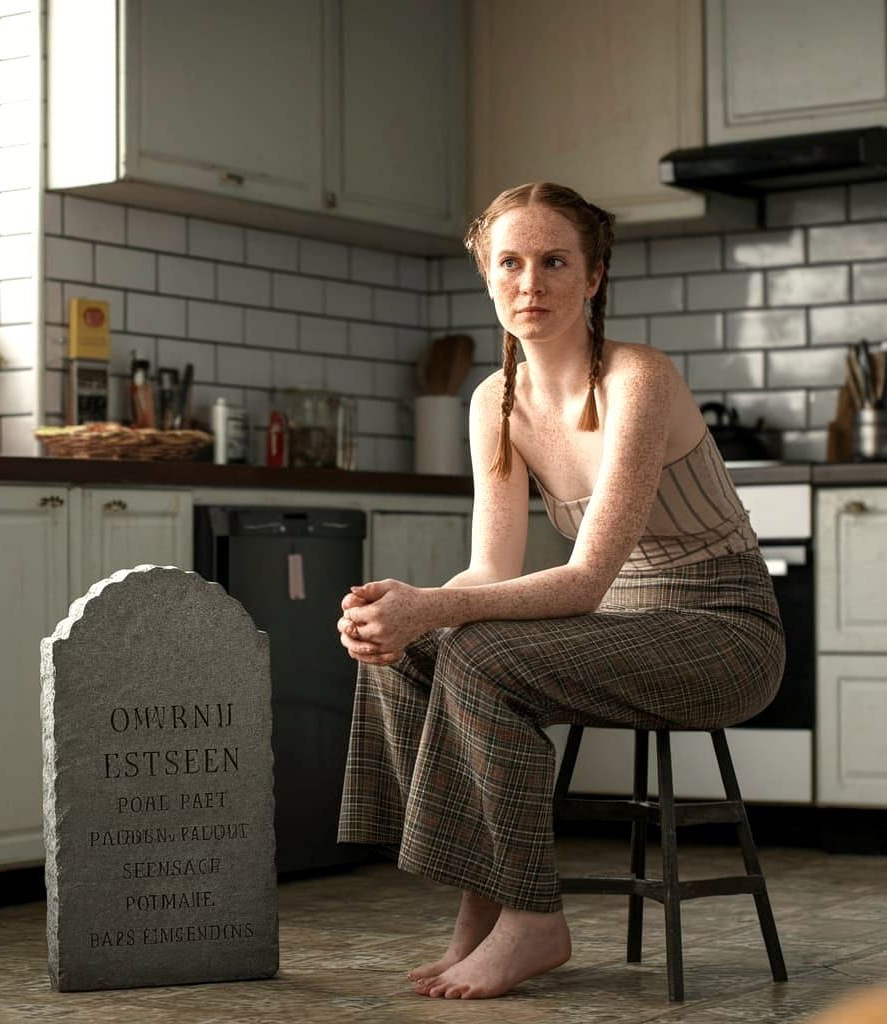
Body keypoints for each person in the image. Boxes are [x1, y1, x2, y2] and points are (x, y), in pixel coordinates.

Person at [334, 182, 787, 1000]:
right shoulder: (494, 402)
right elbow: (489, 569)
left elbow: (585, 580)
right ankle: (488, 902)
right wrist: (405, 614)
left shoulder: (637, 381)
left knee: (471, 647)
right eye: (510, 262)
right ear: (486, 273)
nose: (530, 283)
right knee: (407, 655)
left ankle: (534, 921)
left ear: (594, 276)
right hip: (617, 631)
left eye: (554, 261)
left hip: (724, 631)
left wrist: (435, 607)